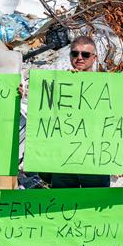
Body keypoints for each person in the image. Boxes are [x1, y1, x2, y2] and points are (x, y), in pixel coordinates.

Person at [49, 35, 110, 189]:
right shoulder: (58, 85)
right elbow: (42, 110)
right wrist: (23, 94)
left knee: (94, 207)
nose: (79, 58)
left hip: (95, 159)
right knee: (62, 206)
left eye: (85, 54)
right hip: (63, 158)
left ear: (94, 58)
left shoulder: (106, 87)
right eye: (75, 54)